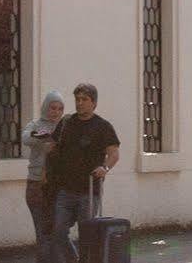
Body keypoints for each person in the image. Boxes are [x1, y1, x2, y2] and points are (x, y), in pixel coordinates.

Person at [48, 82, 119, 263]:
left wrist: (105, 168)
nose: (80, 103)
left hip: (89, 190)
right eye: (77, 99)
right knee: (58, 232)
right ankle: (75, 260)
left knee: (86, 234)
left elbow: (113, 153)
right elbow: (53, 147)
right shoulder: (66, 123)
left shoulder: (103, 126)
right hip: (65, 189)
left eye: (84, 99)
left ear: (93, 102)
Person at [20, 91, 64, 263]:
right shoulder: (35, 124)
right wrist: (40, 136)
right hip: (37, 184)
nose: (56, 112)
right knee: (43, 231)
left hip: (57, 185)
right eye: (53, 108)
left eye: (60, 109)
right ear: (46, 107)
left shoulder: (64, 127)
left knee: (57, 231)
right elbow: (26, 138)